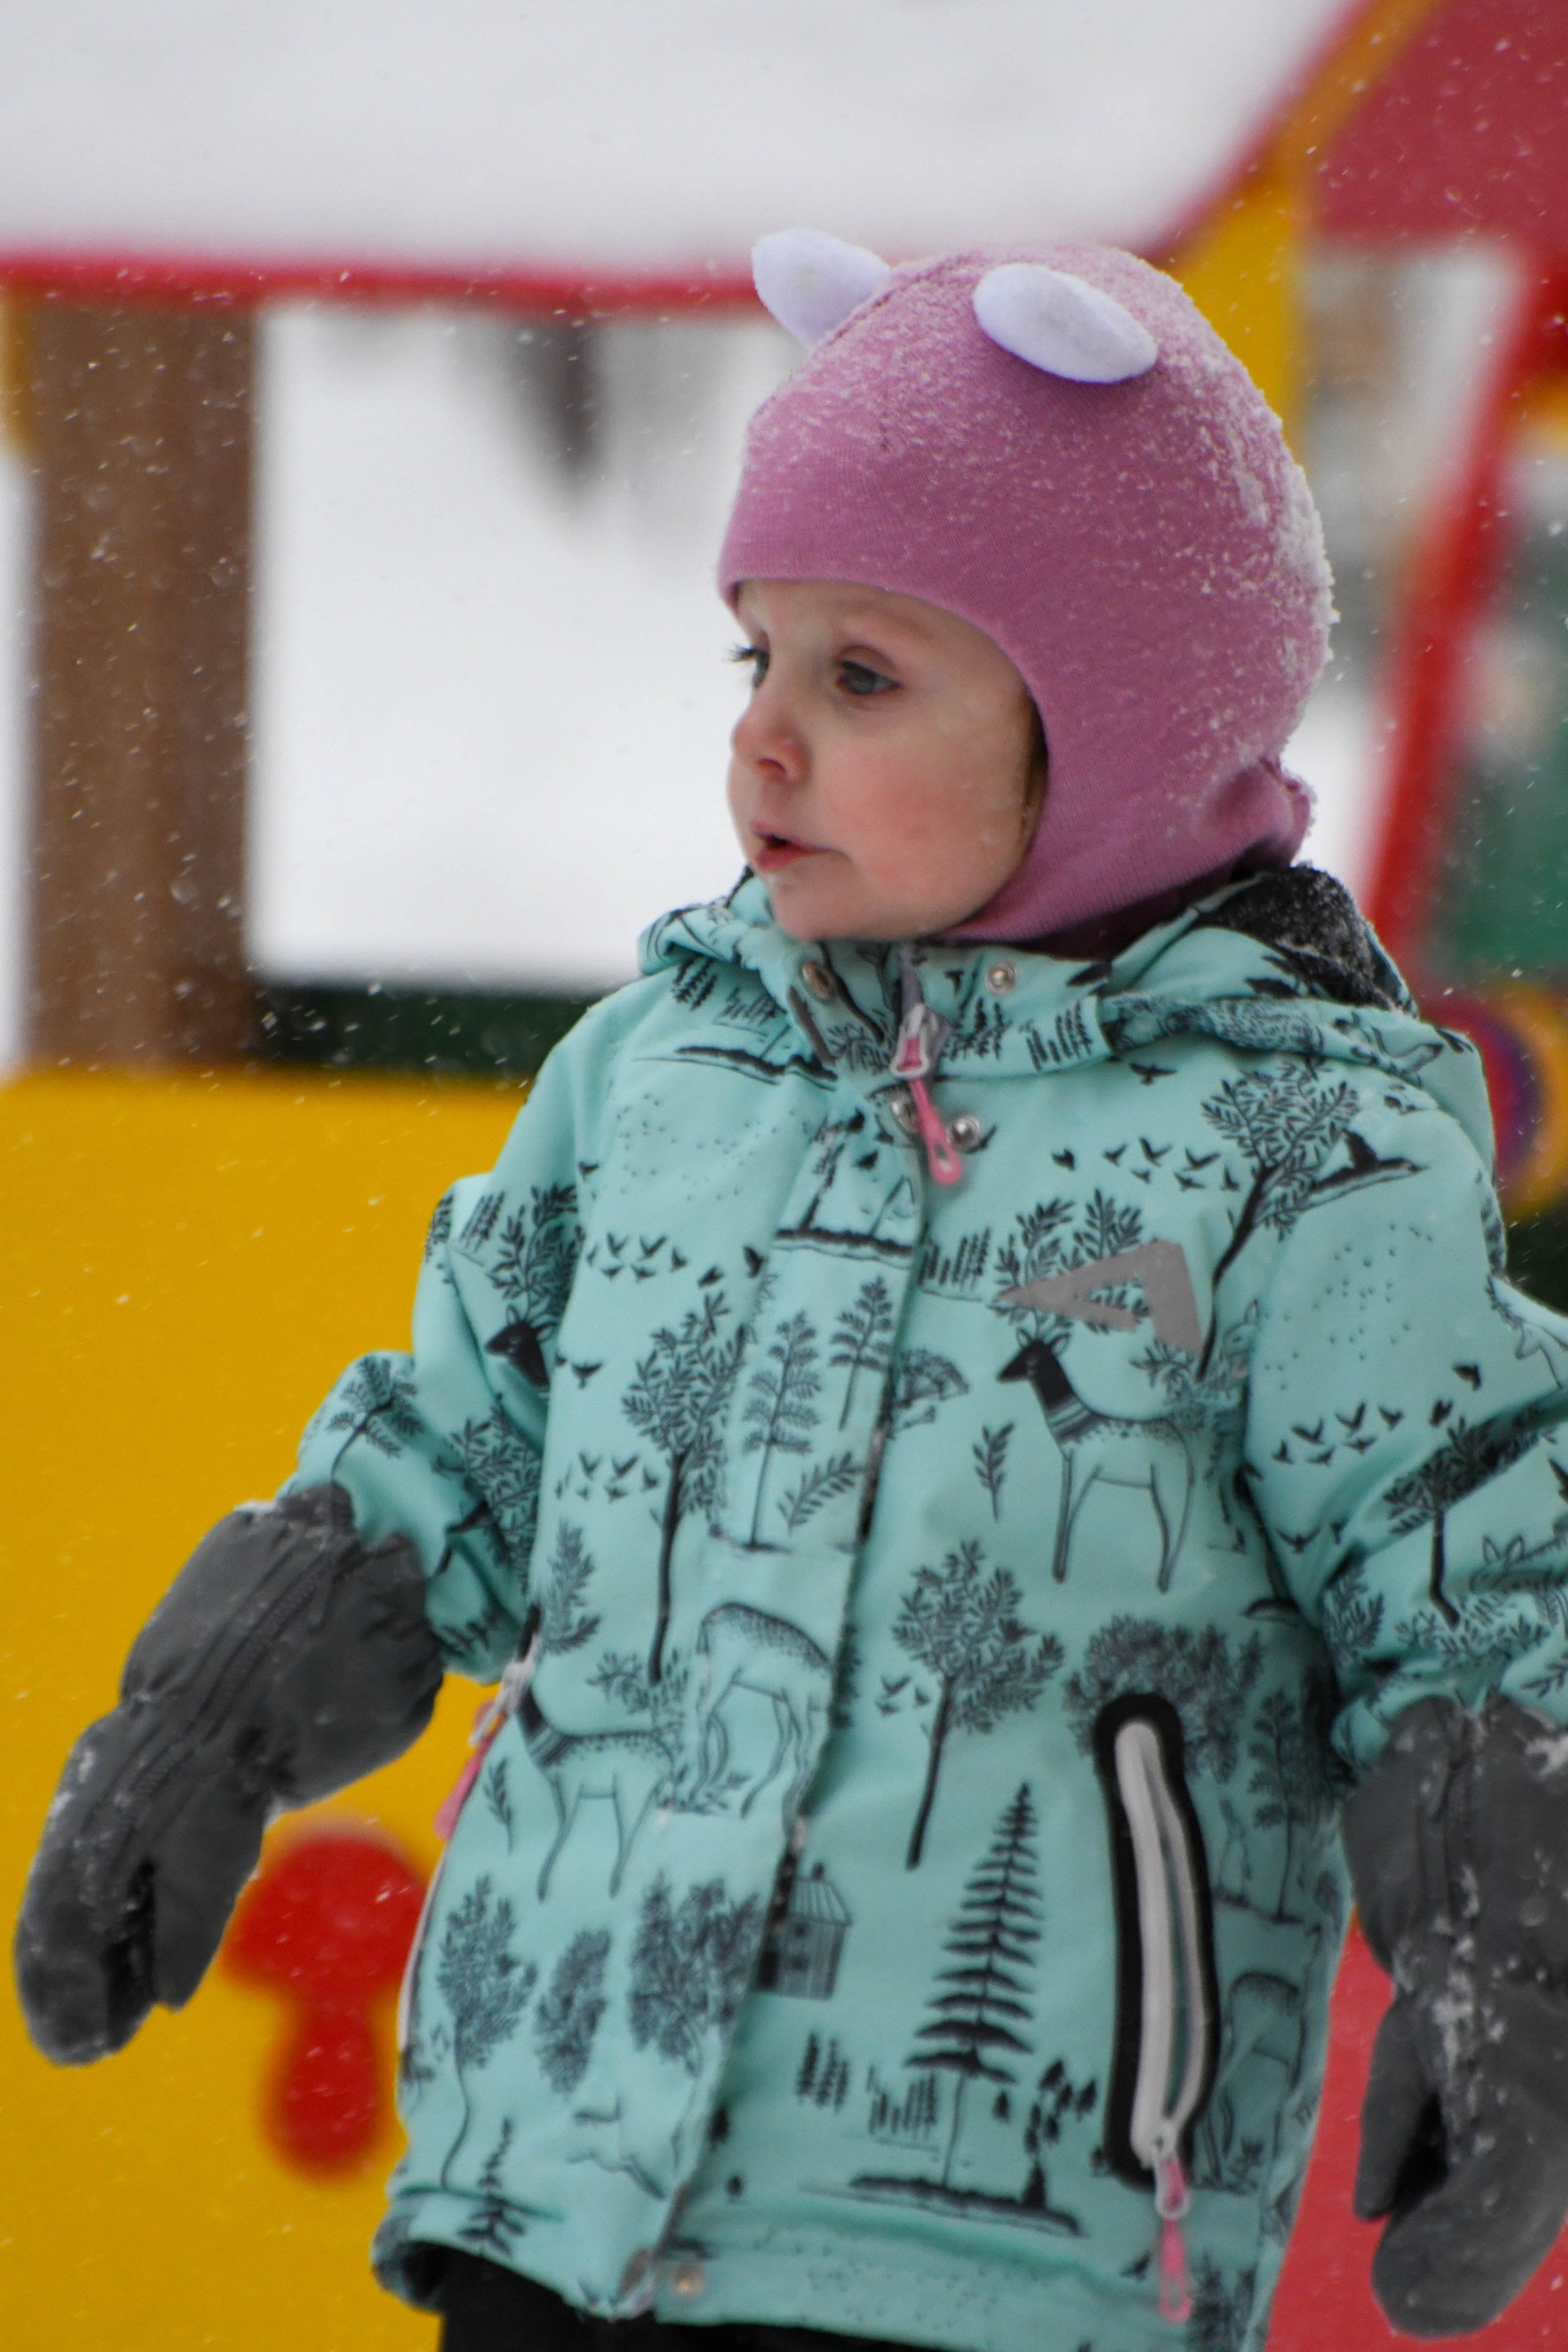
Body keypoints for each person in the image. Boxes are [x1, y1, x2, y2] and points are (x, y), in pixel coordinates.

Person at [18, 232, 1568, 2352]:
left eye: (862, 678)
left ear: (1107, 728)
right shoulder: (668, 1074)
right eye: (755, 656)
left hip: (996, 2233)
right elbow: (446, 1453)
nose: (761, 740)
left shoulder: (1298, 1153)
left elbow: (1473, 1588)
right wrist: (195, 1731)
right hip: (550, 2177)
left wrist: (1515, 1965)